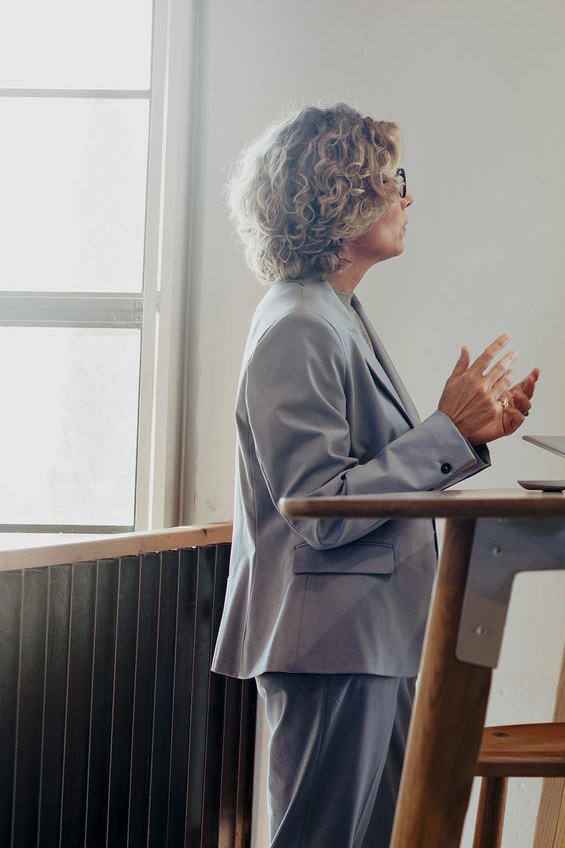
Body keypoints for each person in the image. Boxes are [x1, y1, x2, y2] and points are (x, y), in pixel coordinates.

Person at [211, 103, 539, 848]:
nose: (407, 196)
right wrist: (444, 430)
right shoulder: (300, 321)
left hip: (368, 636)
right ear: (340, 194)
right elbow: (320, 506)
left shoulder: (335, 310)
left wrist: (461, 435)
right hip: (333, 642)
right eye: (394, 178)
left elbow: (369, 480)